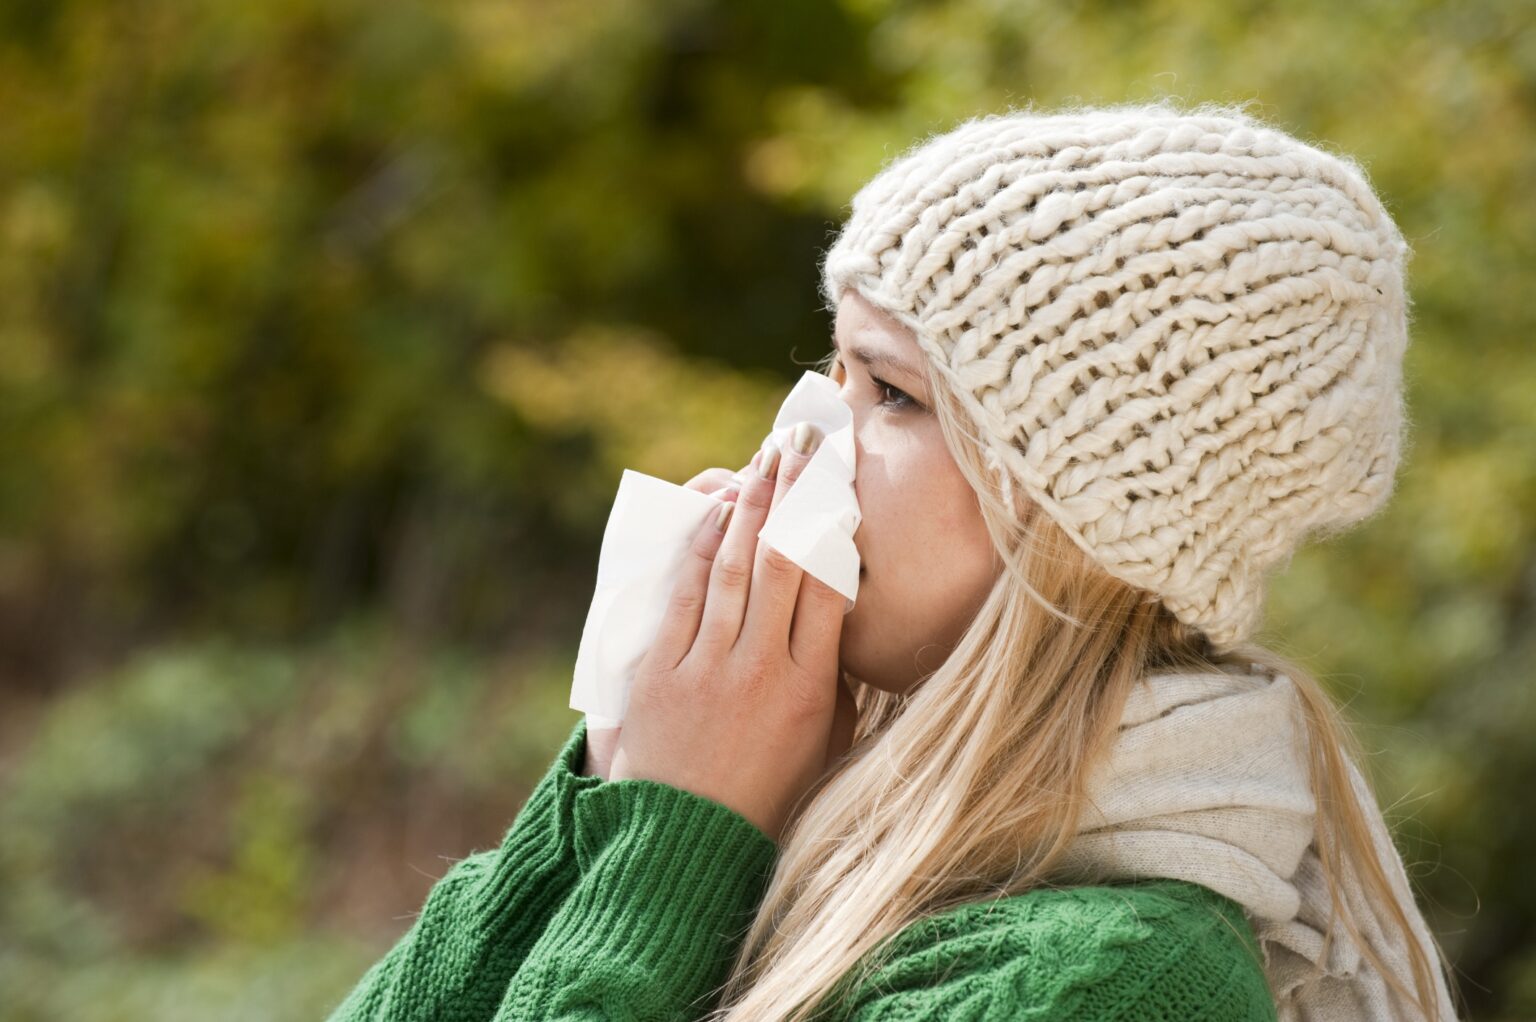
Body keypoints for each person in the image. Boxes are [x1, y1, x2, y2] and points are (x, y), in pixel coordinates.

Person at [325, 100, 1465, 1022]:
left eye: (894, 393)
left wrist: (667, 843)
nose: (798, 438)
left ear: (1088, 517)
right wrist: (612, 803)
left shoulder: (1109, 981)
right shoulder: (813, 823)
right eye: (834, 370)